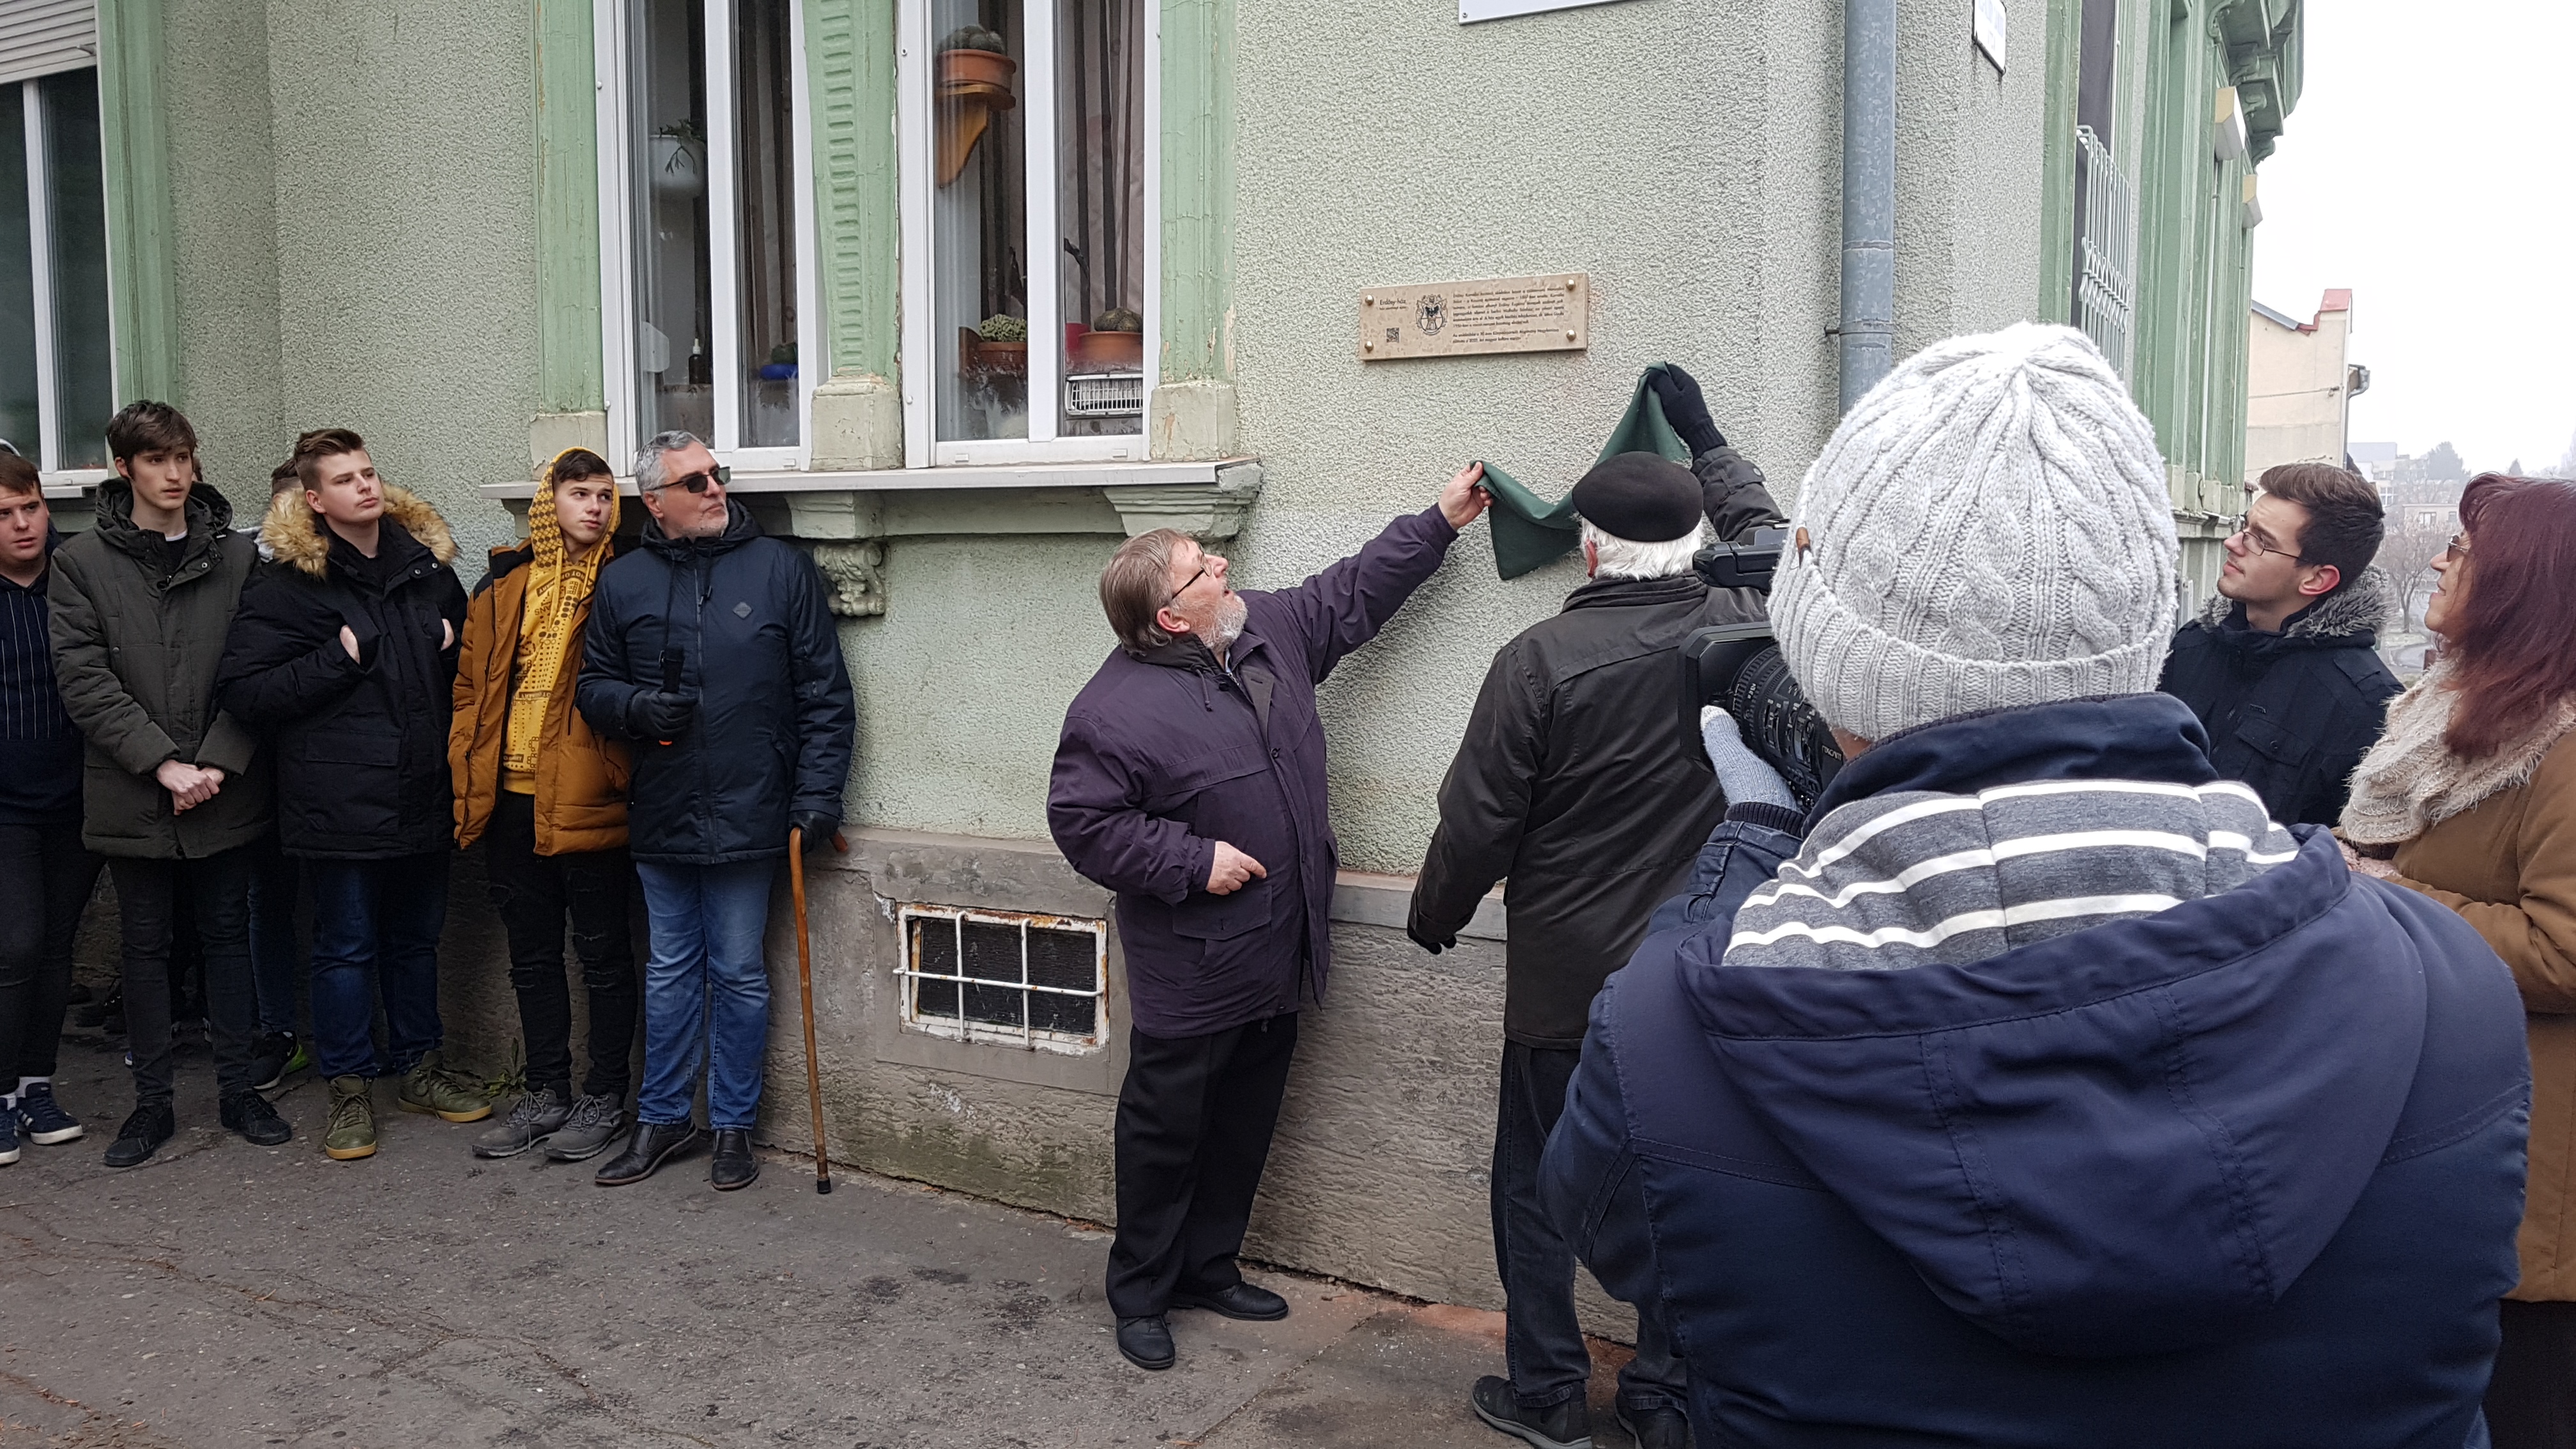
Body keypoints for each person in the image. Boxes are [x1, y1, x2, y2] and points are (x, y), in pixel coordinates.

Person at [1542, 325, 2528, 1449]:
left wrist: (1746, 860)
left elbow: (1618, 1233)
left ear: (1830, 662)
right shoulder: (2447, 996)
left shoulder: (1674, 1041)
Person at [1407, 367, 1779, 1449]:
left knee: (1535, 1184)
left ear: (1587, 551)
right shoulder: (1748, 622)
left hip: (1564, 985)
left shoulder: (1537, 661)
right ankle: (1662, 1395)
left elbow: (1478, 820)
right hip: (1699, 971)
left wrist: (1436, 908)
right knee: (1683, 1181)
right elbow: (1768, 534)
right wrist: (1706, 434)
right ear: (1695, 543)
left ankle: (1548, 1392)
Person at [1050, 464, 1491, 1374]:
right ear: (1173, 616)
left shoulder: (1266, 634)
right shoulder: (1112, 713)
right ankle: (1142, 1293)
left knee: (1245, 1122)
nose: (1222, 567)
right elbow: (1085, 826)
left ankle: (1209, 1268)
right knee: (1167, 1133)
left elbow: (1352, 592)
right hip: (1194, 966)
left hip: (1279, 949)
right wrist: (1193, 861)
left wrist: (1441, 522)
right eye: (1202, 567)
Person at [2340, 473, 2576, 1449]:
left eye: (2465, 553)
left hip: (2534, 1179)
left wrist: (2390, 894)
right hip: (2450, 1134)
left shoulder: (2564, 746)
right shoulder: (2445, 713)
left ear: (2525, 583)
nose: (2439, 560)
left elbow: (2565, 952)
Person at [576, 431, 854, 1192]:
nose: (716, 489)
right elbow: (592, 688)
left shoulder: (780, 570)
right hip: (662, 806)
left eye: (716, 474)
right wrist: (637, 706)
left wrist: (817, 798)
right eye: (694, 482)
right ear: (655, 502)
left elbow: (825, 697)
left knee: (737, 971)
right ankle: (663, 1118)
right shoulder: (624, 581)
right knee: (670, 970)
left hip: (752, 806)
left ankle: (734, 1126)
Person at [218, 427, 483, 1162]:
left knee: (416, 941)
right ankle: (349, 1088)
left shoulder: (426, 568)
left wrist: (452, 647)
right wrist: (337, 660)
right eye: (344, 479)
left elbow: (472, 670)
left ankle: (420, 1068)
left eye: (368, 473)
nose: (365, 486)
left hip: (424, 788)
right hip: (337, 802)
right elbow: (245, 692)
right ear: (314, 499)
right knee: (345, 948)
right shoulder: (288, 583)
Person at [48, 402, 289, 1166]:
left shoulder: (237, 557)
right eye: (157, 460)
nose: (175, 473)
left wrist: (217, 760)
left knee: (227, 938)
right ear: (125, 469)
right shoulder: (81, 563)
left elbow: (259, 663)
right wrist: (162, 763)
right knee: (145, 947)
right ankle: (151, 1104)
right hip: (134, 790)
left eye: (183, 457)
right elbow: (84, 680)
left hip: (225, 784)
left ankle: (239, 1092)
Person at [451, 448, 637, 1162]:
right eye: (579, 493)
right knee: (530, 955)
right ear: (548, 503)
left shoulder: (625, 579)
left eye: (605, 496)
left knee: (604, 955)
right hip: (509, 799)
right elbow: (469, 689)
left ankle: (605, 1096)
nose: (594, 507)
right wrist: (469, 758)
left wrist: (617, 768)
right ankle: (546, 1091)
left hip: (590, 797)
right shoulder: (503, 585)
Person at [2159, 461, 2400, 827]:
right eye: (2244, 526)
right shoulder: (2193, 644)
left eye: (2261, 541)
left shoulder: (2366, 706)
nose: (2232, 543)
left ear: (2317, 579)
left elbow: (2346, 848)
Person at [0, 452, 105, 1162]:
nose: (22, 525)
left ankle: (37, 1086)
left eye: (31, 507)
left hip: (78, 796)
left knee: (57, 947)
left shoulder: (77, 574)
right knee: (16, 945)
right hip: (5, 805)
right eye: (4, 515)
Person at [244, 460, 310, 1094]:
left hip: (340, 774)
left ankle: (359, 1041)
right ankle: (277, 1029)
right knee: (266, 901)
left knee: (348, 913)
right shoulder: (247, 573)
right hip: (263, 769)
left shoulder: (359, 568)